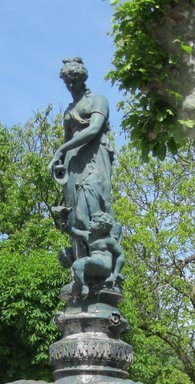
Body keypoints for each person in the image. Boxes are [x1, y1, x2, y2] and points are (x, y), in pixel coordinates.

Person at [48, 57, 115, 266]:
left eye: (74, 80)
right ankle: (81, 265)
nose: (70, 85)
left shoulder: (99, 100)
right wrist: (59, 160)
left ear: (82, 79)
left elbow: (93, 130)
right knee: (75, 212)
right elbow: (67, 140)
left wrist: (61, 149)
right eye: (67, 81)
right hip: (73, 161)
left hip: (94, 155)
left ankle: (102, 259)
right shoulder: (68, 110)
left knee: (93, 203)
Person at [67, 211, 124, 299]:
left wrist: (116, 272)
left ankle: (86, 285)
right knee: (76, 265)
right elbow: (73, 231)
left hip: (104, 266)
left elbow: (121, 255)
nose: (90, 222)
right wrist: (63, 220)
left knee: (84, 261)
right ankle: (84, 285)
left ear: (102, 226)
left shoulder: (108, 240)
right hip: (91, 264)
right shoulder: (88, 236)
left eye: (94, 221)